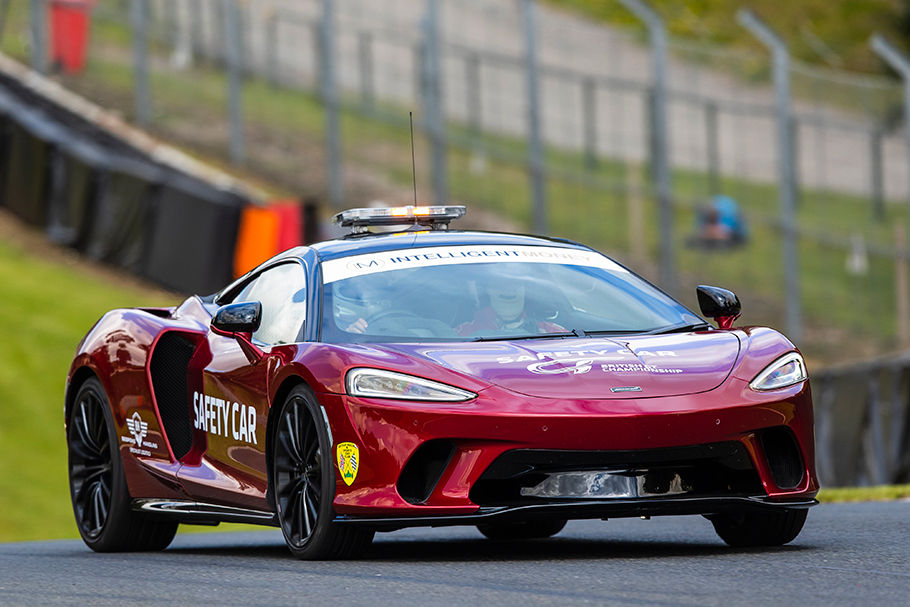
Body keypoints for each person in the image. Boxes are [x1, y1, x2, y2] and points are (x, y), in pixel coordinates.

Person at [455, 273, 565, 336]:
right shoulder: (464, 332)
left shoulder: (550, 331)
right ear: (487, 290)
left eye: (515, 284)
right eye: (501, 284)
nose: (509, 290)